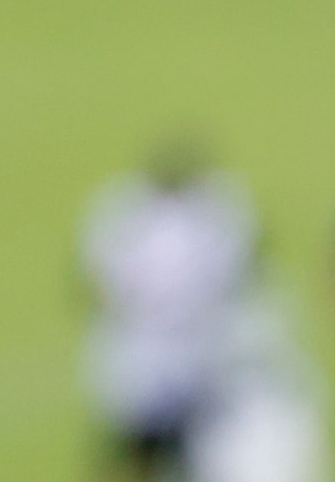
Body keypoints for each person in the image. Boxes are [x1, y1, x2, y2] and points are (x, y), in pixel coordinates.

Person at [82, 144, 285, 478]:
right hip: (178, 351)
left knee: (162, 450)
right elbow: (251, 268)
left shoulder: (123, 214)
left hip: (156, 352)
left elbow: (92, 287)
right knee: (165, 449)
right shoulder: (216, 213)